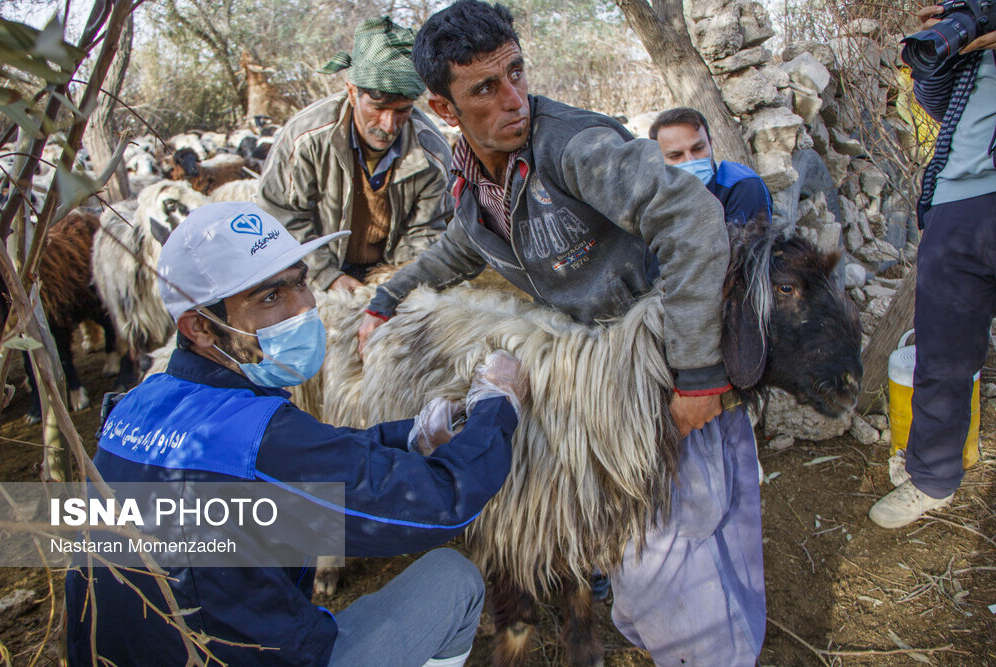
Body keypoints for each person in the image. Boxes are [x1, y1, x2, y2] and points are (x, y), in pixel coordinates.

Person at [356, 2, 766, 664]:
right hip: (599, 377)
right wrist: (385, 300)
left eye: (516, 72)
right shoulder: (474, 179)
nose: (514, 99)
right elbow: (460, 251)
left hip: (664, 363)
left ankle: (717, 651)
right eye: (485, 88)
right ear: (444, 106)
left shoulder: (573, 147)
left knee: (692, 527)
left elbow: (691, 216)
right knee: (633, 534)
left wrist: (696, 373)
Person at [64, 202, 529, 666]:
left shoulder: (139, 404)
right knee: (453, 579)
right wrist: (496, 406)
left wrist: (410, 438)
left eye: (301, 281)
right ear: (201, 327)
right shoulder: (254, 438)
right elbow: (442, 505)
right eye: (270, 297)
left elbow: (304, 461)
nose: (305, 306)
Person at [869, 5, 996, 528]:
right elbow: (939, 107)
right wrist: (934, 59)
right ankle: (932, 480)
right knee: (941, 352)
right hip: (961, 199)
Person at [258, 16, 454, 292]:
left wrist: (399, 281)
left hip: (388, 271)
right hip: (313, 271)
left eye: (402, 111)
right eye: (377, 107)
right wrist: (326, 277)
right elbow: (280, 214)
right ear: (352, 92)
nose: (389, 125)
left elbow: (428, 228)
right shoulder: (306, 139)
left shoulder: (431, 154)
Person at [650, 107, 772, 226]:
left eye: (698, 149)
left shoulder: (744, 186)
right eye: (675, 155)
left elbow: (749, 243)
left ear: (710, 143)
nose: (690, 160)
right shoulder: (653, 197)